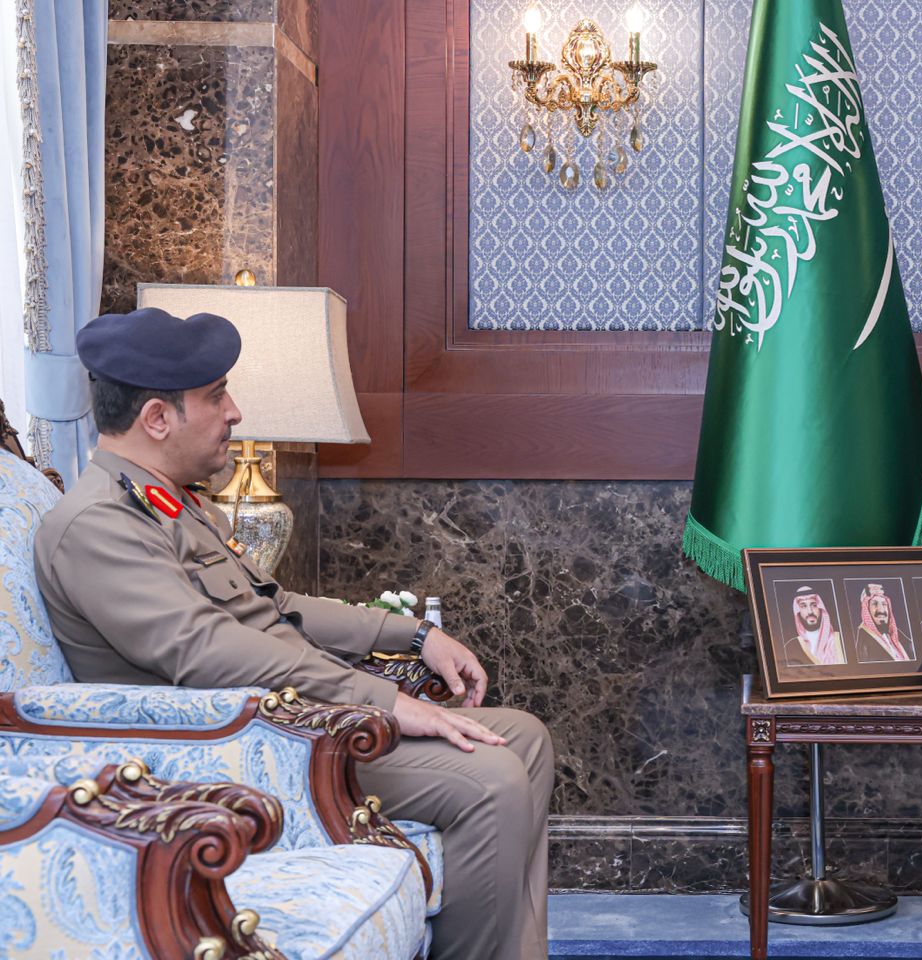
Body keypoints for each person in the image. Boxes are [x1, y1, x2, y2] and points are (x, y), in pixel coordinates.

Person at [32, 307, 553, 960]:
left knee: (526, 739)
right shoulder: (98, 526)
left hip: (293, 719)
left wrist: (416, 635)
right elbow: (210, 654)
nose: (234, 412)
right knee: (492, 778)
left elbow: (277, 607)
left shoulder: (173, 503)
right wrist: (385, 701)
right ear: (158, 418)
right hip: (231, 750)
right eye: (216, 396)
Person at [781, 586, 846, 665]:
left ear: (821, 608)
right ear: (798, 611)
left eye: (814, 605)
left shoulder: (841, 640)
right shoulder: (792, 646)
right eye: (803, 606)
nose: (810, 611)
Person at [854, 583, 911, 662]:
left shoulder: (897, 634)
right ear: (866, 609)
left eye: (884, 604)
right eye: (874, 604)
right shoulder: (863, 638)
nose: (881, 610)